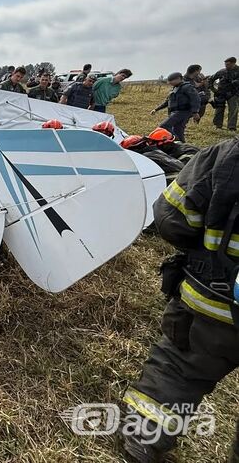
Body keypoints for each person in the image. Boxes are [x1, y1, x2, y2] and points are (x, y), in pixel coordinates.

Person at [121, 137, 239, 463]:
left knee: (178, 369)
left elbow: (170, 219)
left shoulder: (224, 156)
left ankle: (145, 439)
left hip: (212, 304)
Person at [150, 72, 200, 142]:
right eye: (169, 81)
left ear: (179, 79)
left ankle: (176, 139)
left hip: (182, 112)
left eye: (171, 80)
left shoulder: (187, 87)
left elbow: (195, 99)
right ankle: (182, 145)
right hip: (175, 112)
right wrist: (156, 109)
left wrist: (195, 112)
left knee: (164, 126)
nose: (169, 82)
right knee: (178, 130)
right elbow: (167, 102)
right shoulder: (174, 89)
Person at [210, 57, 239, 131]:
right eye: (225, 64)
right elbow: (211, 79)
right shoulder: (221, 71)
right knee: (219, 109)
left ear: (233, 63)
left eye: (228, 64)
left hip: (233, 94)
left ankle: (231, 127)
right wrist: (214, 90)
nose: (226, 66)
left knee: (233, 110)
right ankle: (217, 125)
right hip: (221, 93)